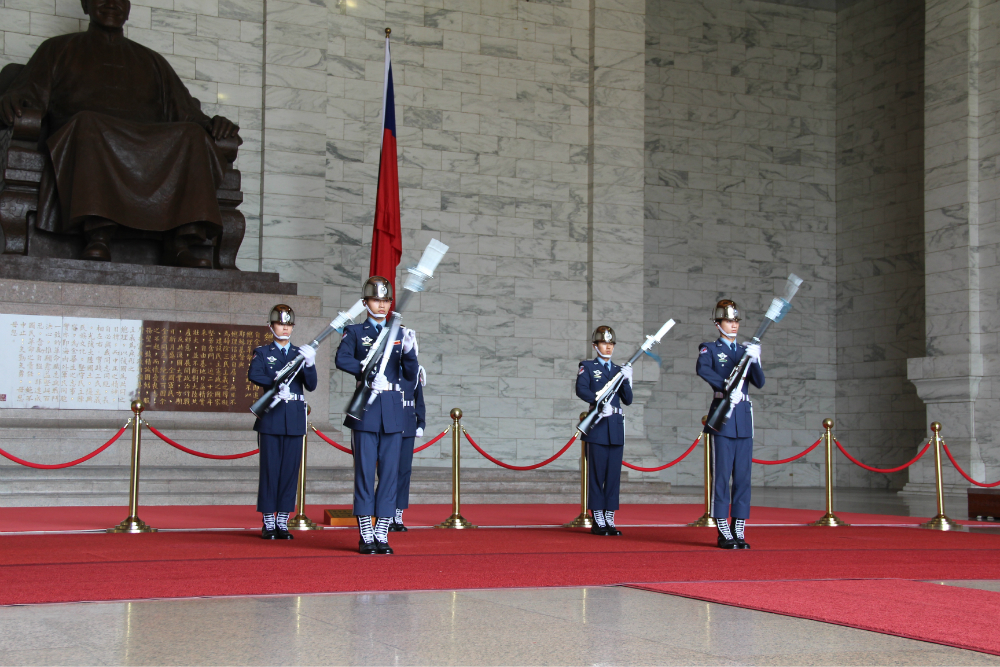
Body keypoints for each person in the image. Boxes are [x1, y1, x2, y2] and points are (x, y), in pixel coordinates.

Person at [0, 0, 240, 267]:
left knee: (193, 135)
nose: (112, 3)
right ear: (85, 5)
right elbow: (27, 94)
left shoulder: (152, 61)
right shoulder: (57, 49)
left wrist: (214, 124)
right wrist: (12, 99)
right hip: (88, 136)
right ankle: (98, 236)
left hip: (149, 147)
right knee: (88, 123)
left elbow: (188, 114)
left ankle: (179, 244)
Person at [335, 276, 418, 554]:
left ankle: (382, 530)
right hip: (367, 408)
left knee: (390, 473)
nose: (381, 305)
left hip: (393, 409)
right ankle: (366, 533)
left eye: (385, 300)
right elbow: (342, 358)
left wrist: (409, 352)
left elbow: (409, 374)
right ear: (365, 302)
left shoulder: (399, 332)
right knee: (364, 472)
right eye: (375, 300)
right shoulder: (354, 331)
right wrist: (368, 372)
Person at [696, 299, 764, 549]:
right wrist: (725, 386)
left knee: (743, 477)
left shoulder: (745, 350)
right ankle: (722, 527)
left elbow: (759, 382)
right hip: (723, 415)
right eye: (728, 321)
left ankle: (739, 526)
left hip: (743, 417)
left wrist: (756, 359)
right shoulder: (709, 348)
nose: (733, 325)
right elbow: (703, 369)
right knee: (722, 475)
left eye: (736, 321)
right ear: (718, 324)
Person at [247, 304, 317, 539]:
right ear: (270, 326)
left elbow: (311, 385)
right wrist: (275, 383)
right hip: (272, 417)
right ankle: (269, 520)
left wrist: (310, 363)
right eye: (280, 324)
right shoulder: (262, 352)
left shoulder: (299, 353)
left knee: (289, 471)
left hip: (294, 417)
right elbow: (254, 374)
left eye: (289, 325)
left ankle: (282, 519)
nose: (285, 328)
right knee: (270, 470)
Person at [576, 326, 633, 536]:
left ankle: (609, 516)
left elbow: (628, 399)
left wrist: (627, 379)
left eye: (611, 344)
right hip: (598, 426)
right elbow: (581, 389)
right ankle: (598, 516)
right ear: (595, 346)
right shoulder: (588, 367)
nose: (608, 347)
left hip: (615, 427)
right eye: (603, 343)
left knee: (613, 476)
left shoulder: (618, 370)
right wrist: (598, 402)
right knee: (597, 474)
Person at [391, 364, 426, 532]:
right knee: (387, 472)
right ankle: (386, 514)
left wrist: (421, 423)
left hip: (408, 424)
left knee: (404, 471)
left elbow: (419, 400)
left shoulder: (414, 370)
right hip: (389, 424)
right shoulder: (386, 367)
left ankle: (398, 514)